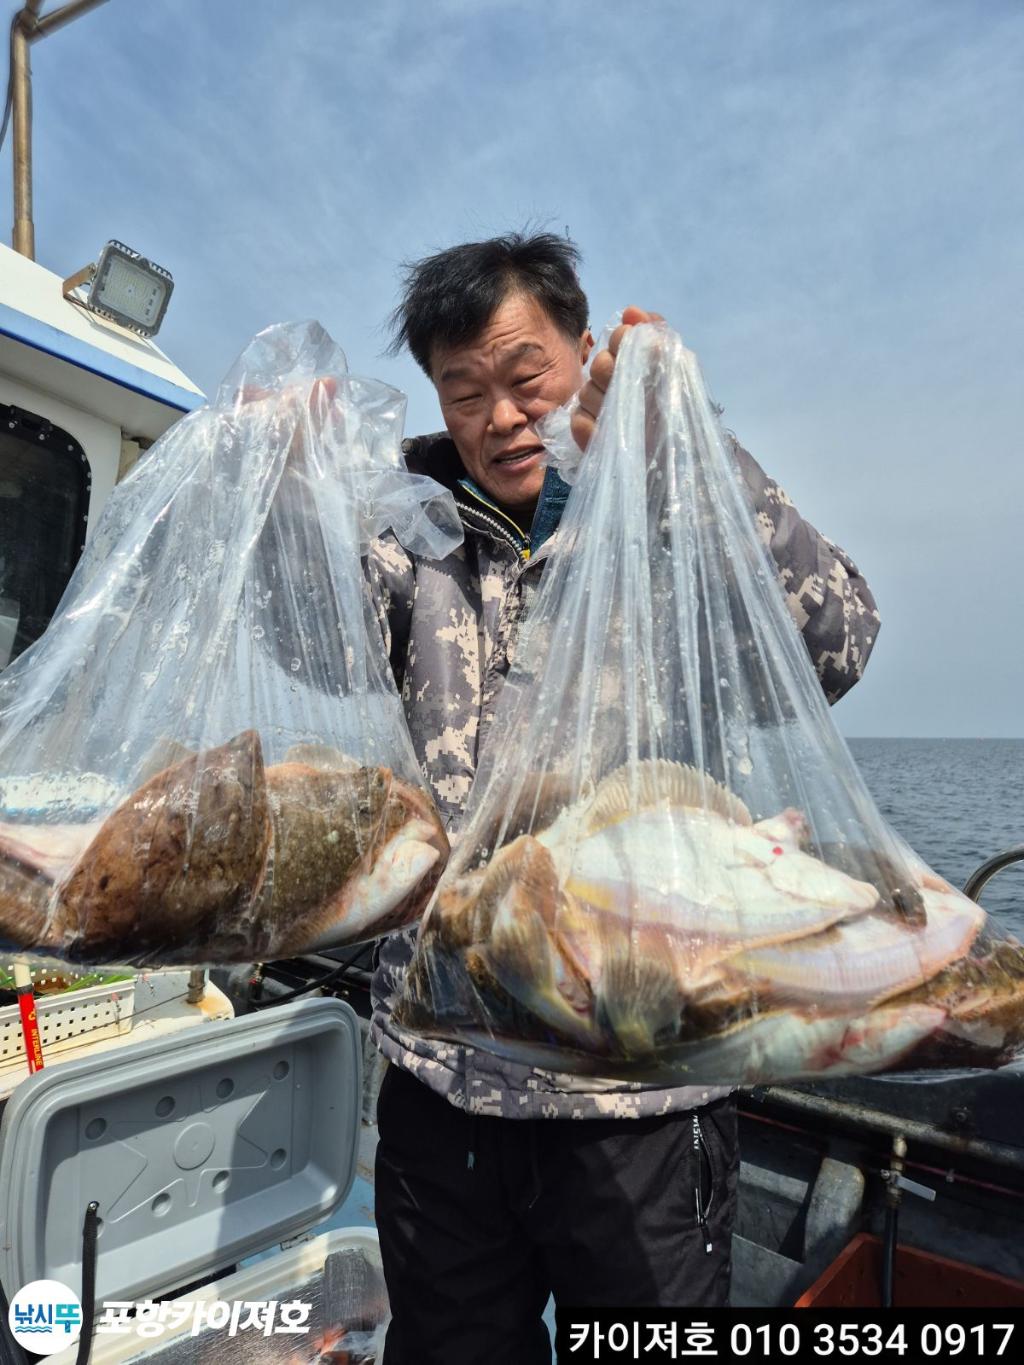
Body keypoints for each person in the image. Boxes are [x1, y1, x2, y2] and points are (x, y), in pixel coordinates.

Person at [366, 232, 879, 1364]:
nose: (499, 416)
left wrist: (688, 458)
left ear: (585, 353)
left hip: (635, 1093)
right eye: (464, 393)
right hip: (442, 1084)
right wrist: (270, 481)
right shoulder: (403, 545)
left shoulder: (670, 518)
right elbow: (282, 649)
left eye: (523, 376)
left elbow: (837, 644)